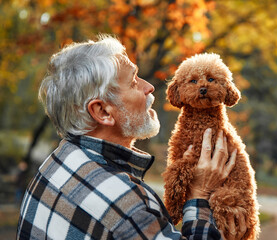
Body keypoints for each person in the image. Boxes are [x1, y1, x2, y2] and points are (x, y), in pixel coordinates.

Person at [17, 35, 240, 239]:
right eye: (134, 82)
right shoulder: (128, 205)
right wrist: (199, 195)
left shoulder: (54, 164)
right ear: (103, 112)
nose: (150, 87)